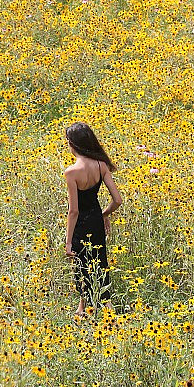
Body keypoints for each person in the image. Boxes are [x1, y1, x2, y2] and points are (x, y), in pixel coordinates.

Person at [63, 121, 123, 318]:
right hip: (96, 219)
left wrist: (68, 240)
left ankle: (84, 309)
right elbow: (118, 200)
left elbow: (74, 211)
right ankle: (103, 307)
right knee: (99, 262)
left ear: (73, 144)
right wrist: (105, 214)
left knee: (81, 264)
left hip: (81, 224)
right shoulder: (101, 165)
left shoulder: (71, 172)